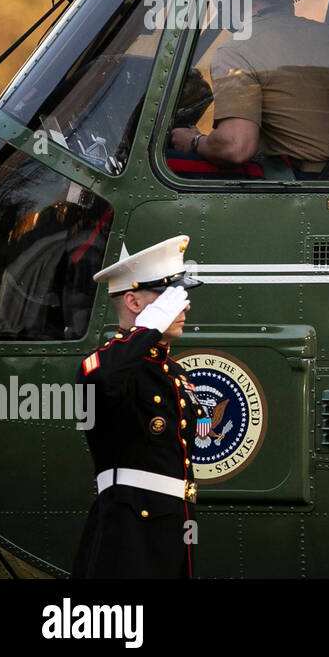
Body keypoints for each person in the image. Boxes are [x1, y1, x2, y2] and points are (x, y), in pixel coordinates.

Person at [73, 235, 203, 578]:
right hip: (129, 532)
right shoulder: (106, 366)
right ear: (132, 301)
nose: (184, 306)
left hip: (174, 525)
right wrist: (146, 329)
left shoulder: (172, 372)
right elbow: (102, 378)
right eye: (168, 297)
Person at [169, 0, 329, 178]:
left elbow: (235, 147)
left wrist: (194, 140)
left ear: (226, 5)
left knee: (166, 164)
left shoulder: (236, 49)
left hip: (294, 181)